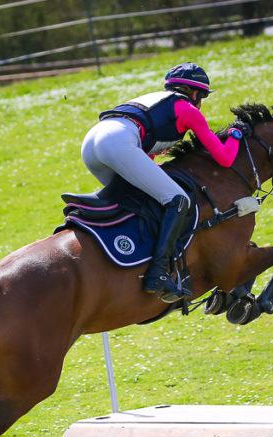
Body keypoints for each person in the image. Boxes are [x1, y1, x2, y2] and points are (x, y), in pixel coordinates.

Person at [82, 63, 248, 302]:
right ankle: (157, 274)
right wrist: (235, 135)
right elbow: (224, 157)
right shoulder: (188, 109)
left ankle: (128, 258)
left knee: (142, 200)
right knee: (178, 200)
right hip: (117, 142)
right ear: (196, 93)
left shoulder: (155, 101)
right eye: (202, 97)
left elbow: (145, 159)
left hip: (92, 144)